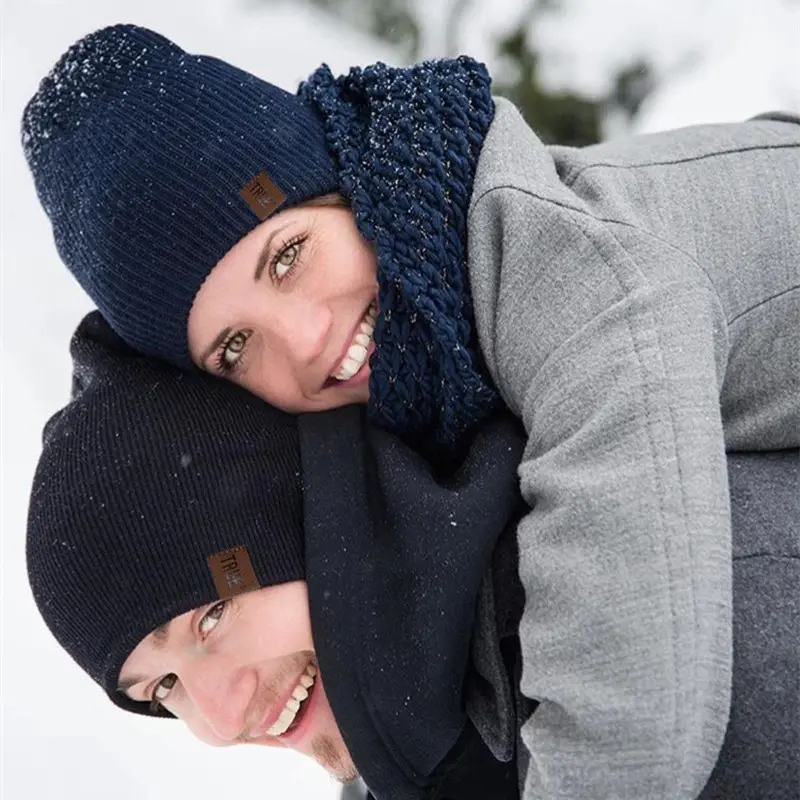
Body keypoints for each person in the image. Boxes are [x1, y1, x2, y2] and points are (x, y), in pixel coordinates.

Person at [22, 23, 800, 799]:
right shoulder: (429, 376)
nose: (305, 341)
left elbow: (630, 715)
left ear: (343, 184)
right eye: (233, 347)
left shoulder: (568, 280)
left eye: (287, 257)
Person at [28, 311, 798, 800]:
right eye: (162, 687)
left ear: (313, 511)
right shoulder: (407, 754)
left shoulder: (704, 597)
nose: (224, 720)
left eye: (212, 615)